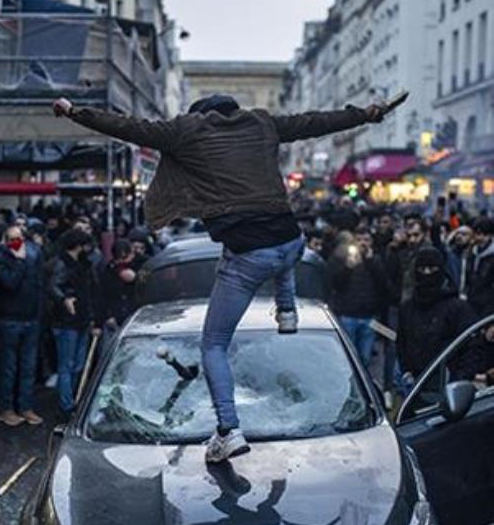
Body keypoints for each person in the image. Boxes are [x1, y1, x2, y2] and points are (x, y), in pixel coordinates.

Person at [54, 89, 405, 462]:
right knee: (274, 254)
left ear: (200, 114)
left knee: (214, 344)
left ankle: (228, 430)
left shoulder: (188, 130)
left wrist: (75, 111)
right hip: (292, 242)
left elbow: (128, 127)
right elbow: (315, 122)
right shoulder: (260, 122)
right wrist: (366, 113)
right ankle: (287, 311)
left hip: (251, 254)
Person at [0, 225, 46, 427]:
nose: (17, 243)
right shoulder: (0, 257)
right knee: (9, 368)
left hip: (30, 317)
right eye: (12, 239)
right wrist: (19, 261)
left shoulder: (34, 254)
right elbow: (9, 283)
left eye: (19, 238)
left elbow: (39, 284)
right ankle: (6, 408)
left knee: (28, 368)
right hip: (9, 318)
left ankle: (26, 406)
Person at [397, 249, 477, 381]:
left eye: (432, 269)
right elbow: (402, 343)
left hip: (447, 383)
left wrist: (458, 378)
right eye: (422, 269)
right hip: (415, 383)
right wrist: (406, 371)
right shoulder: (407, 308)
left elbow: (471, 346)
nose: (427, 274)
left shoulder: (458, 309)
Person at [47, 229, 100, 416]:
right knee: (69, 365)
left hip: (78, 320)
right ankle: (67, 404)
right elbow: (53, 287)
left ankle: (71, 400)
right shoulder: (67, 265)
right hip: (68, 321)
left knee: (75, 365)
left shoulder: (80, 264)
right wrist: (65, 300)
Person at [326, 229, 390, 372]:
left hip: (369, 316)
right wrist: (348, 268)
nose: (363, 243)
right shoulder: (342, 259)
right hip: (348, 314)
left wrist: (371, 262)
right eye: (359, 240)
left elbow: (383, 285)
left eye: (366, 240)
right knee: (348, 357)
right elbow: (336, 284)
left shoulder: (376, 260)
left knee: (365, 358)